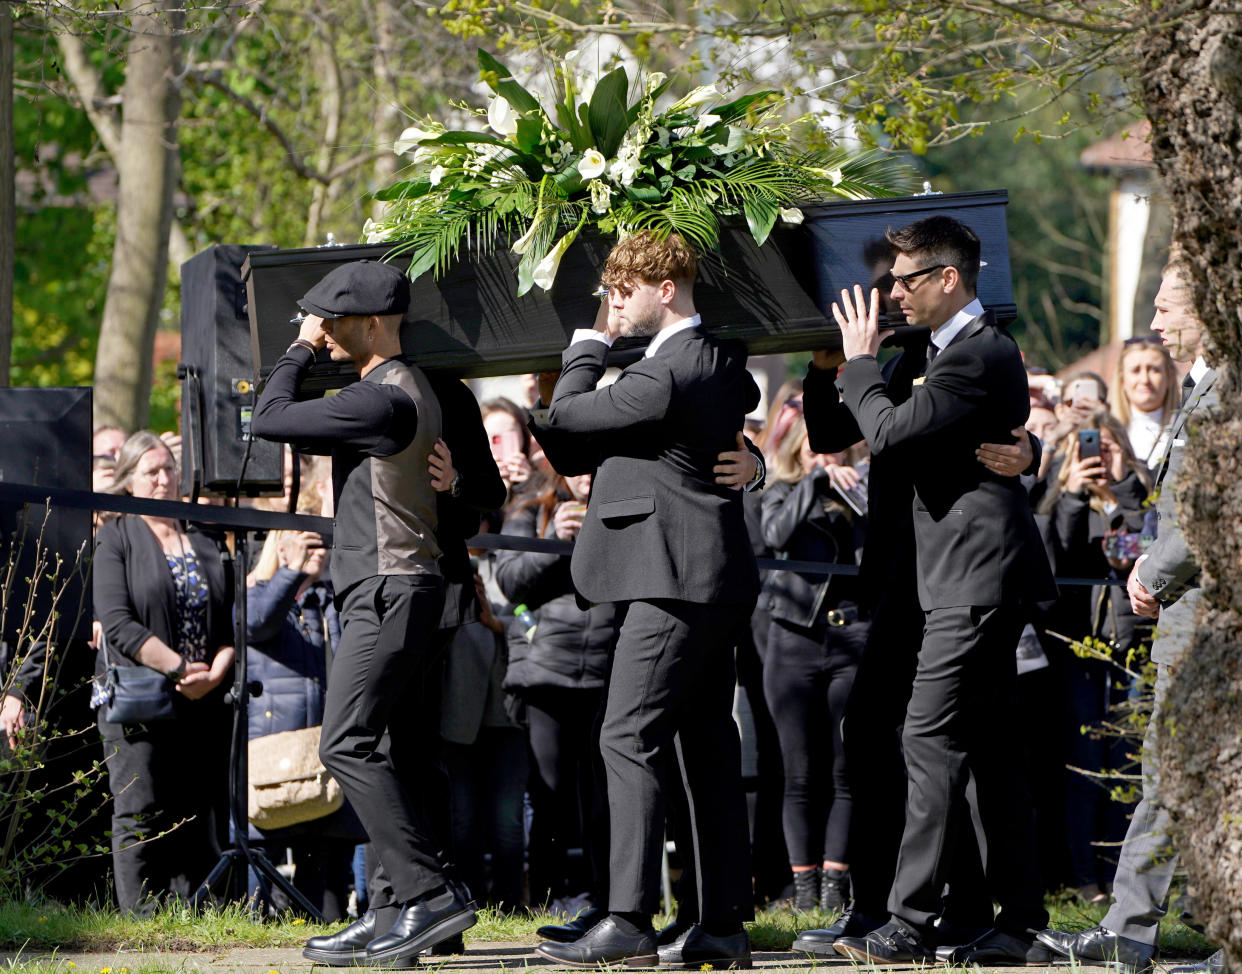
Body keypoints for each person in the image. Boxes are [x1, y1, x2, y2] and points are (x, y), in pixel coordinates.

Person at [828, 215, 1058, 966]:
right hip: (946, 575)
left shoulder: (978, 352)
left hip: (975, 574)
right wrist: (842, 356)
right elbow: (844, 425)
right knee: (989, 750)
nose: (891, 292)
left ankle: (910, 920)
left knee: (927, 735)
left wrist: (862, 363)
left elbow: (890, 434)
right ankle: (1015, 922)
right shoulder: (924, 352)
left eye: (904, 280)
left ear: (949, 278)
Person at [529, 231, 762, 969]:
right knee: (707, 749)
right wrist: (751, 464)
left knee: (625, 736)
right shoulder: (719, 357)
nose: (612, 302)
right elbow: (744, 394)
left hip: (673, 579)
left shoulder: (661, 373)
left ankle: (628, 919)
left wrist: (586, 345)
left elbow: (564, 423)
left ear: (667, 290)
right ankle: (720, 924)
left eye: (622, 290)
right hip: (703, 576)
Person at [251, 260, 473, 967]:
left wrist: (298, 350)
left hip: (390, 589)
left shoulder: (380, 398)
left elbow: (270, 418)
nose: (326, 331)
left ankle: (427, 897)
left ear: (372, 322)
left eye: (336, 320)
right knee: (389, 752)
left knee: (345, 743)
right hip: (396, 588)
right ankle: (390, 914)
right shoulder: (393, 392)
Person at [1038, 259, 1221, 974]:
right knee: (1176, 776)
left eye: (1166, 306)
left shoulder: (1225, 388)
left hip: (1206, 615)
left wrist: (1155, 567)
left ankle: (1143, 930)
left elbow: (1216, 504)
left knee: (1185, 774)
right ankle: (1132, 929)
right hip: (1190, 613)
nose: (1153, 323)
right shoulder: (1204, 387)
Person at [93, 431, 235, 914]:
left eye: (169, 469)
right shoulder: (117, 536)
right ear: (129, 480)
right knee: (139, 808)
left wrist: (217, 670)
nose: (163, 479)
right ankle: (139, 921)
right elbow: (117, 623)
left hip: (207, 695)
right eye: (151, 471)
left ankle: (198, 913)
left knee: (197, 810)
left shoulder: (204, 533)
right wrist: (178, 669)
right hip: (141, 697)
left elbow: (232, 613)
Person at [1037, 410, 1152, 902]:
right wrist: (1071, 494)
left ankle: (1121, 878)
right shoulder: (1065, 496)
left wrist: (1124, 484)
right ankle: (1087, 880)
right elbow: (1054, 556)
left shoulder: (1140, 490)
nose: (1097, 456)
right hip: (1082, 646)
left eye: (1106, 447)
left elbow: (1152, 539)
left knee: (1128, 766)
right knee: (1085, 766)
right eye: (1090, 447)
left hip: (1135, 647)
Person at [760, 418, 867, 912]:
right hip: (794, 638)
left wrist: (859, 490)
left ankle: (835, 884)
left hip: (854, 635)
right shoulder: (782, 491)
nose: (826, 456)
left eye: (834, 450)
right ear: (799, 451)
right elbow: (775, 535)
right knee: (799, 772)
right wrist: (813, 483)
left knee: (848, 769)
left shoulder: (865, 489)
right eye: (815, 448)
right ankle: (803, 891)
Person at [495, 471, 614, 913]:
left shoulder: (621, 506)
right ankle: (547, 897)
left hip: (606, 665)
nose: (586, 477)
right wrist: (555, 541)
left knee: (603, 796)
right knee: (551, 793)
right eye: (577, 467)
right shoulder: (530, 510)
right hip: (546, 668)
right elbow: (508, 579)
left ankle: (604, 900)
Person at [245, 515, 357, 921]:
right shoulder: (254, 591)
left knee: (328, 863)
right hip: (273, 752)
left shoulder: (328, 601)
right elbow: (256, 623)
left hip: (323, 754)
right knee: (266, 859)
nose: (316, 554)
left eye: (318, 547)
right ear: (281, 547)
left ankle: (326, 929)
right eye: (305, 545)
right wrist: (291, 571)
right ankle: (258, 934)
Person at [1110, 337, 1179, 467]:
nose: (1145, 380)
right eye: (1135, 370)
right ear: (1122, 379)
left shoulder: (1184, 427)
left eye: (1154, 370)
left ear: (1170, 376)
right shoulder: (1108, 431)